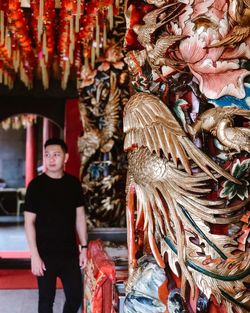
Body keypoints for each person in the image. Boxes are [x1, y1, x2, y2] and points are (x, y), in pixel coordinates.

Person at [24, 138, 88, 313]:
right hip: (45, 255)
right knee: (46, 302)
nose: (51, 159)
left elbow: (80, 217)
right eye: (47, 155)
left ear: (65, 157)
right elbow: (29, 222)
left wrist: (84, 247)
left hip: (69, 254)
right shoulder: (35, 186)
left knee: (75, 297)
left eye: (56, 155)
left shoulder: (73, 184)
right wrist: (34, 256)